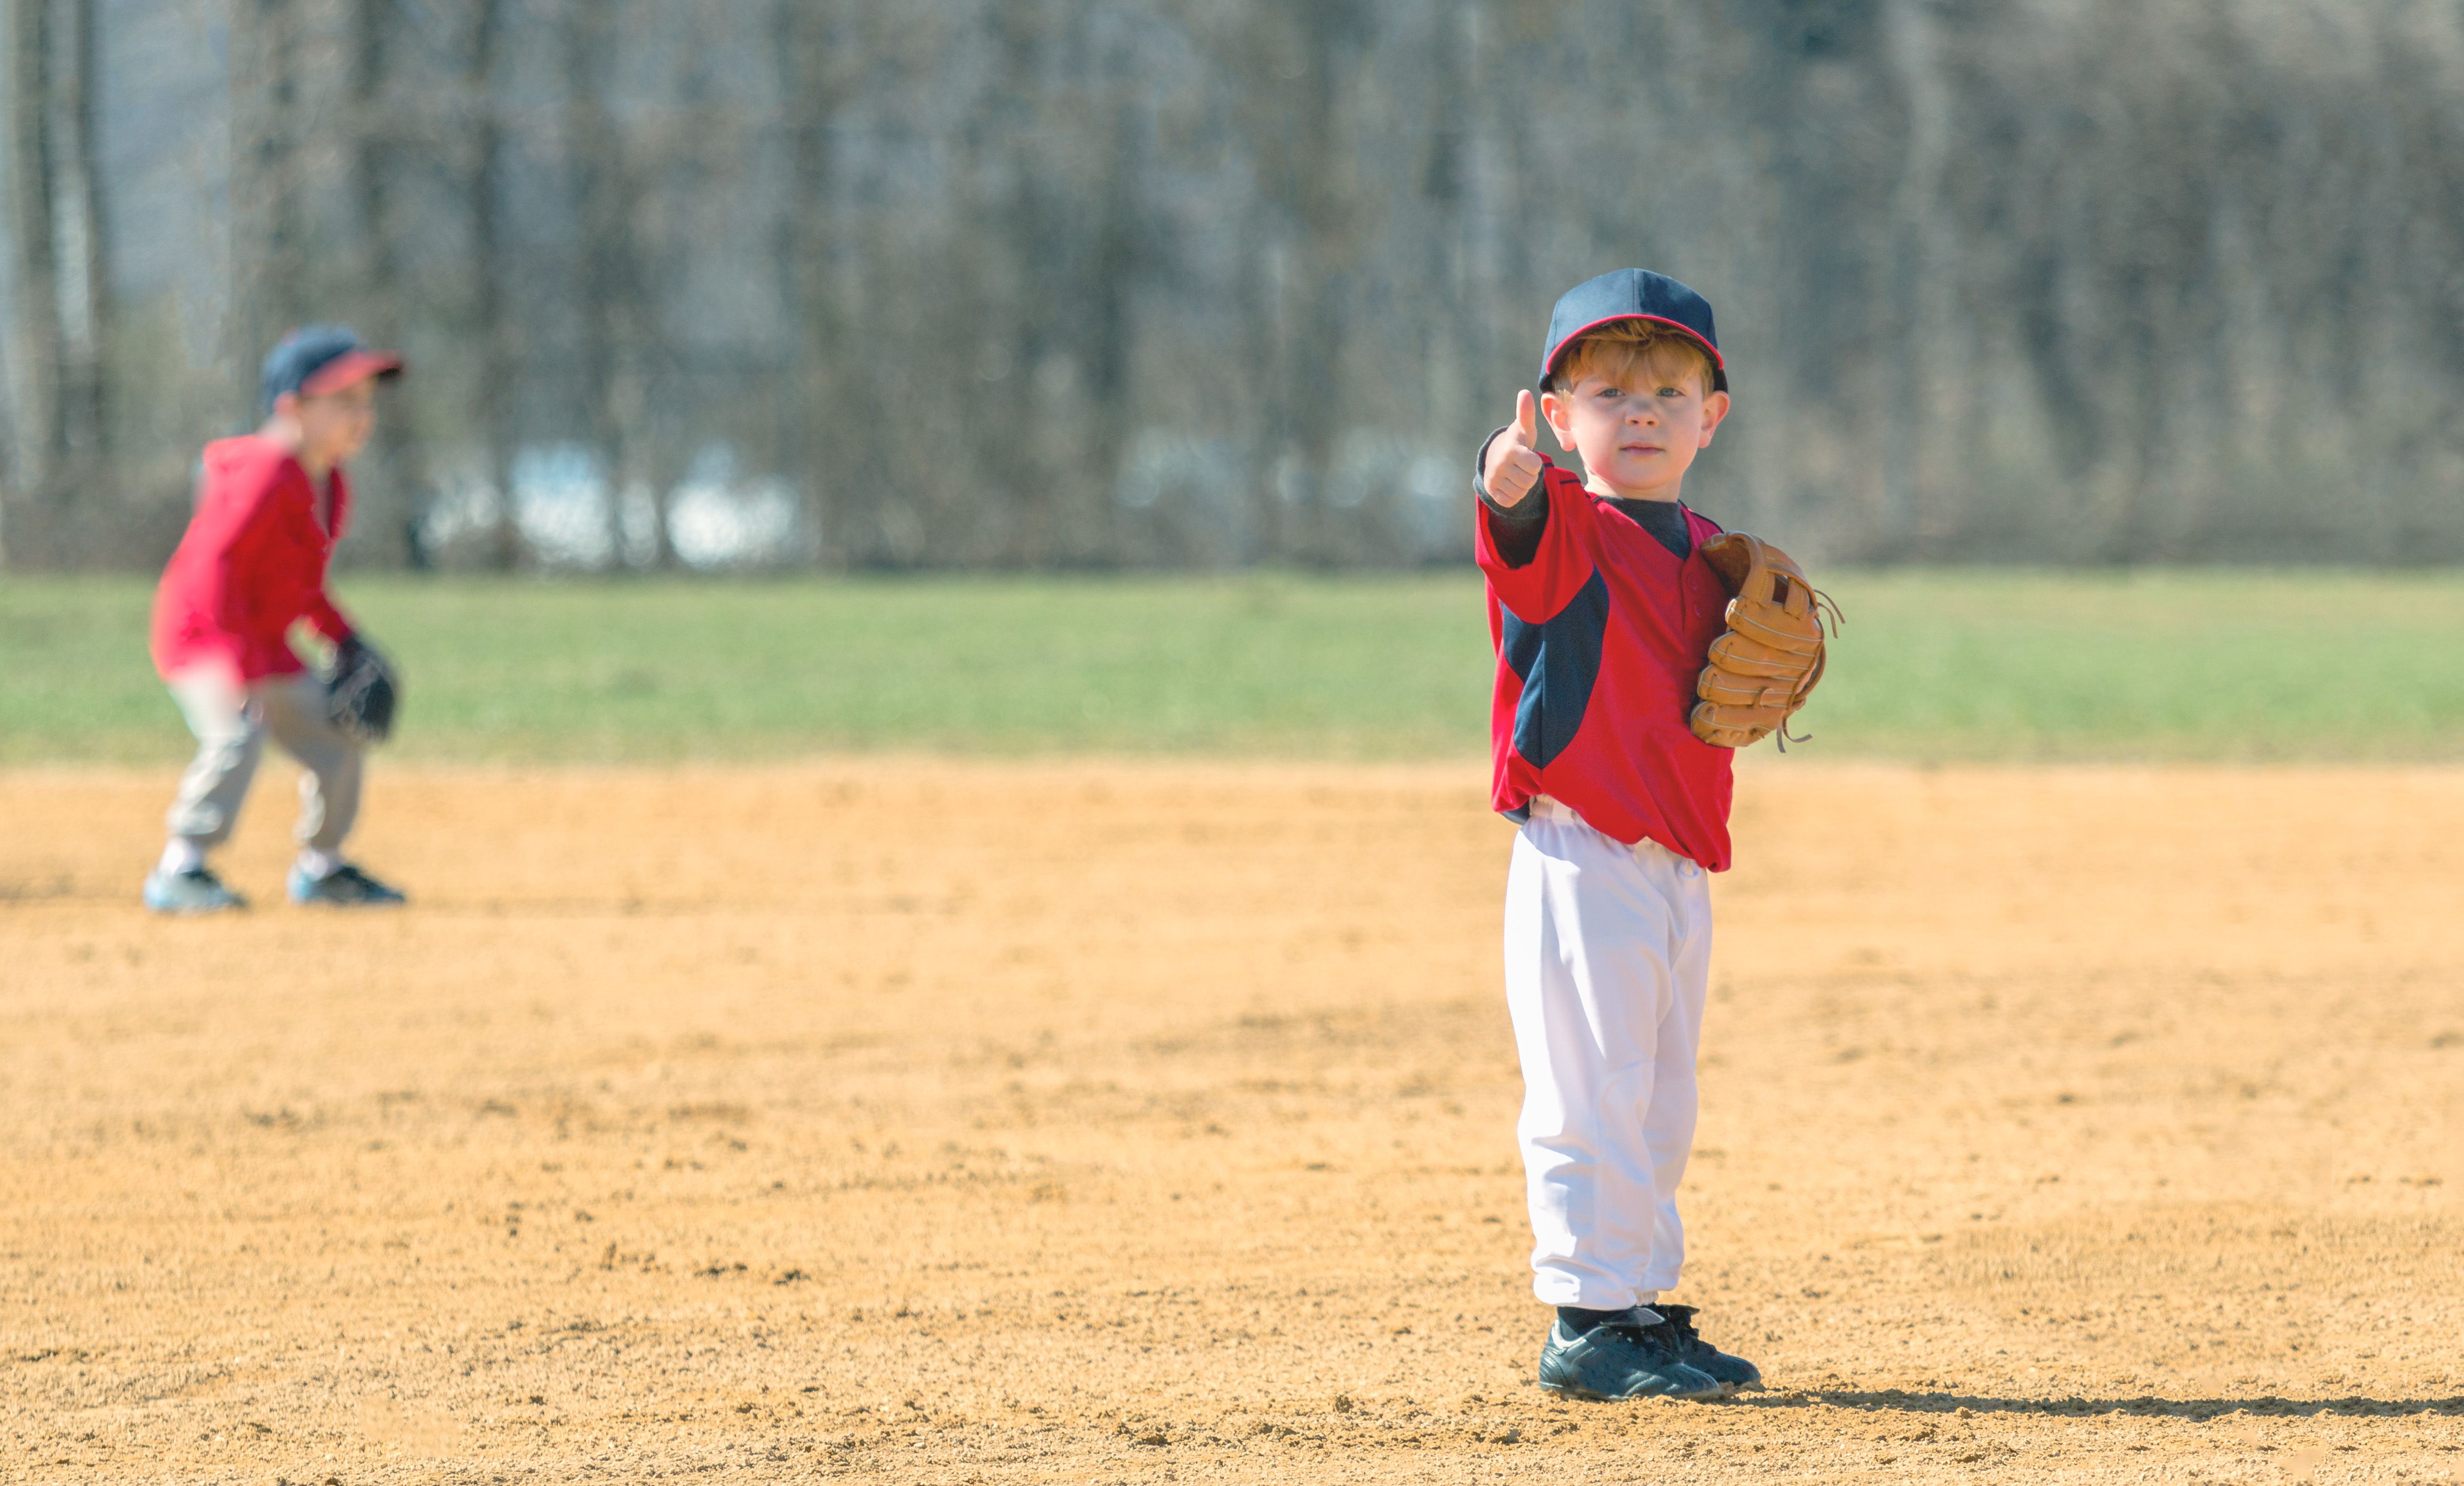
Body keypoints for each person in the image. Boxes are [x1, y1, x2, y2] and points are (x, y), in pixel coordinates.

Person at [1472, 269, 1766, 1401]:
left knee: (1656, 1093)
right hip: (1580, 848)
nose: (1636, 413)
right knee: (1587, 1087)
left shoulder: (1709, 547)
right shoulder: (1567, 530)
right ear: (1557, 416)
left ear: (1710, 415)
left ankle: (1638, 1305)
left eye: (1665, 389)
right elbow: (1512, 521)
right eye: (1604, 391)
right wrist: (1503, 485)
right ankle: (1583, 1318)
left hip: (1675, 859)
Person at [142, 325, 410, 914]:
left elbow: (302, 585)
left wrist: (346, 639)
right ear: (291, 407)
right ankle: (181, 866)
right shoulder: (265, 471)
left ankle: (323, 868)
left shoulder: (330, 481)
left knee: (338, 738)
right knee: (238, 731)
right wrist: (235, 670)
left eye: (365, 402)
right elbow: (215, 565)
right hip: (203, 639)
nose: (360, 415)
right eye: (343, 401)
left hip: (262, 644)